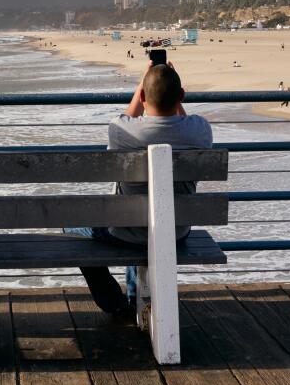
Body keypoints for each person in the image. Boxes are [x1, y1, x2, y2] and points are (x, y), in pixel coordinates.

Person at [71, 62, 213, 316]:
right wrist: (170, 92)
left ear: (144, 96)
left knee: (71, 229)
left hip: (127, 233)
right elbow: (183, 119)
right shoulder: (200, 131)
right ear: (181, 96)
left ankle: (114, 304)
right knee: (138, 219)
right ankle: (138, 300)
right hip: (176, 231)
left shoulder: (121, 130)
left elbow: (127, 117)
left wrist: (141, 85)